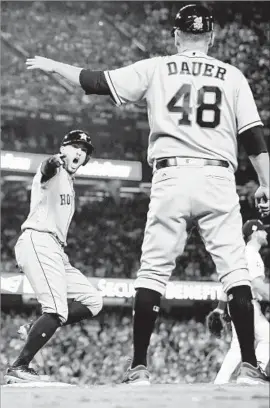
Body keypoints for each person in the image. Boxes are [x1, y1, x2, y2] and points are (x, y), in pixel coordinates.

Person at [25, 4, 270, 385]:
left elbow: (95, 81)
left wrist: (55, 65)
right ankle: (252, 369)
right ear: (211, 37)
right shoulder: (233, 75)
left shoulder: (157, 67)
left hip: (171, 175)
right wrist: (266, 183)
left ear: (176, 36)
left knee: (153, 273)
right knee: (235, 271)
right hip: (217, 177)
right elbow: (253, 138)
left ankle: (138, 369)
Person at [5, 130, 103, 384]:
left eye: (85, 150)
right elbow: (46, 168)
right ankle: (19, 367)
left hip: (56, 249)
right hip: (39, 240)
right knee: (57, 309)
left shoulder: (69, 181)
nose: (80, 152)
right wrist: (54, 161)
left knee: (93, 301)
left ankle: (34, 326)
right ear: (64, 149)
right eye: (76, 146)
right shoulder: (55, 169)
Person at [207, 219, 270, 384]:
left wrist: (221, 308)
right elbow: (257, 284)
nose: (266, 233)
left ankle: (221, 381)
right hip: (248, 302)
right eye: (263, 230)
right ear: (255, 233)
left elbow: (229, 282)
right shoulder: (251, 254)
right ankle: (256, 372)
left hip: (237, 301)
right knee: (266, 337)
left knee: (238, 344)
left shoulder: (240, 253)